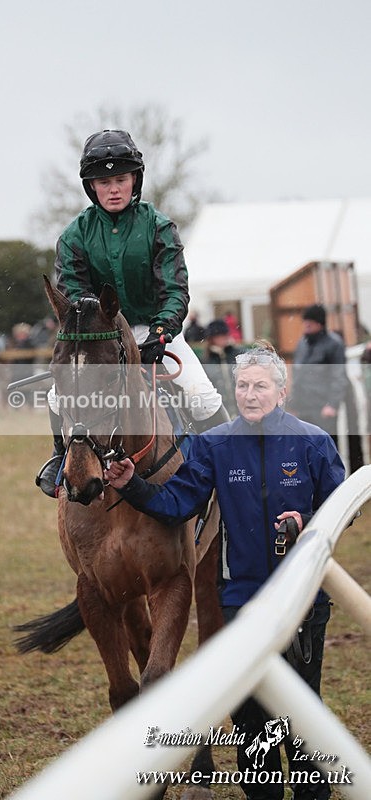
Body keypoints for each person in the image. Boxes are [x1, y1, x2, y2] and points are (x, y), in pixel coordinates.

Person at [104, 342, 345, 800]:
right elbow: (175, 505)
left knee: (300, 708)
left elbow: (340, 509)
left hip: (304, 599)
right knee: (250, 713)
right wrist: (131, 485)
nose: (250, 394)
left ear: (281, 390)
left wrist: (304, 522)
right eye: (242, 385)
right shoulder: (215, 444)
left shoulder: (313, 441)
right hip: (240, 600)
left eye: (260, 386)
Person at [36, 129, 227, 496]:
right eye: (104, 181)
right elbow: (74, 294)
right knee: (56, 397)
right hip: (99, 336)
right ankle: (60, 457)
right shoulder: (74, 235)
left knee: (202, 396)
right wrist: (99, 334)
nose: (113, 189)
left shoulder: (159, 226)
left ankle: (233, 462)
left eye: (120, 179)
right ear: (91, 186)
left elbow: (175, 290)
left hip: (154, 332)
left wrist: (160, 332)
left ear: (134, 180)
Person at [289, 304, 347, 447]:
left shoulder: (334, 344)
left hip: (322, 408)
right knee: (305, 449)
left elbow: (338, 376)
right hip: (303, 408)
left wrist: (332, 405)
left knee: (326, 448)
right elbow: (297, 375)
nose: (306, 326)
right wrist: (293, 404)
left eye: (310, 323)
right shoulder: (302, 343)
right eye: (305, 322)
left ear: (319, 323)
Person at [202, 318, 244, 417]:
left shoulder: (239, 355)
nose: (222, 339)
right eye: (218, 336)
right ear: (211, 339)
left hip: (241, 409)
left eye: (224, 335)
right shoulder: (205, 361)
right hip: (220, 411)